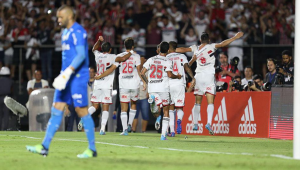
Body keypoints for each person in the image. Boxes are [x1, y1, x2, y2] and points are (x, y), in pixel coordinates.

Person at [26, 5, 97, 158]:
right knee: (57, 109)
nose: (58, 20)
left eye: (60, 17)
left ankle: (92, 149)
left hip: (77, 77)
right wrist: (62, 75)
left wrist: (68, 72)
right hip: (66, 76)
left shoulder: (78, 31)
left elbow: (81, 56)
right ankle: (44, 146)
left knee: (81, 110)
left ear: (69, 17)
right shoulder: (65, 32)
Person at [176, 31, 244, 135]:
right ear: (208, 40)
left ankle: (195, 123)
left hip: (198, 77)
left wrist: (170, 50)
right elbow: (223, 43)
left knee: (197, 102)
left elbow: (183, 49)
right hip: (209, 77)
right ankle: (208, 123)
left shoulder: (195, 48)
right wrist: (235, 37)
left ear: (200, 40)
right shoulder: (211, 46)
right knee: (210, 102)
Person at [84, 36, 133, 135]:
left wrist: (98, 40)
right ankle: (102, 129)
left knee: (95, 106)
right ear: (110, 49)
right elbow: (123, 58)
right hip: (107, 85)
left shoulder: (98, 55)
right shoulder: (112, 56)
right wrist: (130, 52)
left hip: (97, 84)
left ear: (102, 49)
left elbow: (94, 49)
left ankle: (85, 115)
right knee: (105, 107)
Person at [141, 41, 181, 140]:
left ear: (159, 49)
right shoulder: (167, 61)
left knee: (155, 111)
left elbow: (142, 73)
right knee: (166, 110)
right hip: (163, 88)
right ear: (168, 50)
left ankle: (154, 102)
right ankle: (163, 135)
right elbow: (170, 75)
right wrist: (178, 76)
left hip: (152, 88)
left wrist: (148, 82)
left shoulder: (151, 59)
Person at [116, 37, 146, 135]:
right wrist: (144, 82)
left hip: (124, 84)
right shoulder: (137, 56)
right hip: (134, 85)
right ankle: (129, 124)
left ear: (125, 46)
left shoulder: (119, 55)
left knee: (124, 108)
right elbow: (139, 71)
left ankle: (125, 129)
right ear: (133, 46)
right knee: (133, 104)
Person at [166, 41, 195, 136]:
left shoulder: (166, 58)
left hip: (169, 84)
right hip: (179, 84)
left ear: (169, 49)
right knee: (179, 108)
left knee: (170, 109)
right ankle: (179, 120)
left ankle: (172, 131)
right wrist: (193, 77)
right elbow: (187, 68)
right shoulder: (182, 56)